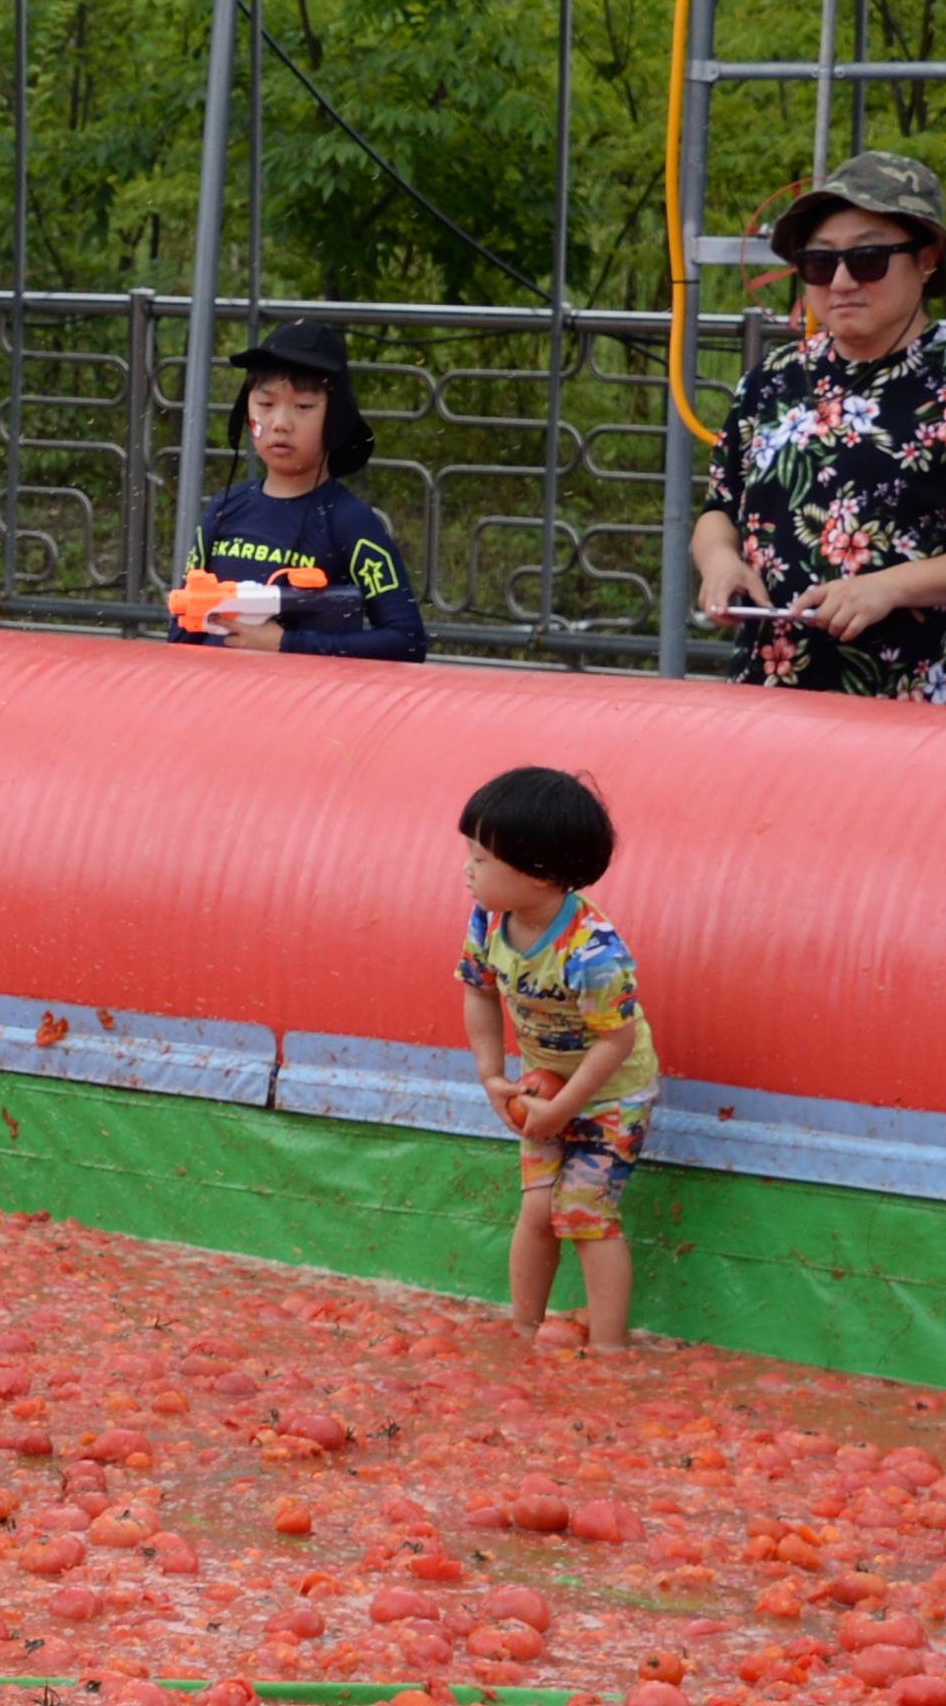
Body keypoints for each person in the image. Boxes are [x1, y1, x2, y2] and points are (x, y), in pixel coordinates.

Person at [694, 150, 946, 698]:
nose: (841, 281)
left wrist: (889, 588)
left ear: (926, 259)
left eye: (869, 259)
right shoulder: (774, 379)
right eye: (818, 263)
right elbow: (719, 506)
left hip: (915, 705)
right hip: (769, 692)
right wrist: (719, 562)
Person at [455, 766, 650, 1354]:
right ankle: (524, 1331)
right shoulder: (490, 921)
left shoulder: (592, 950)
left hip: (611, 1093)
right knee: (538, 1211)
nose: (467, 868)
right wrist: (493, 1076)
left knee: (585, 1214)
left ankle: (610, 1349)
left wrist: (566, 1106)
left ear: (538, 873)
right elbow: (479, 991)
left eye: (482, 858)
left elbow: (614, 1042)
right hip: (542, 1092)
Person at [177, 319, 426, 660]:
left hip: (307, 707)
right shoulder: (223, 508)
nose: (281, 422)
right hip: (217, 705)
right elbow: (182, 629)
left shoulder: (350, 522)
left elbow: (406, 641)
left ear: (337, 418)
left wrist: (287, 644)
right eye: (265, 404)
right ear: (245, 412)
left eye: (304, 406)